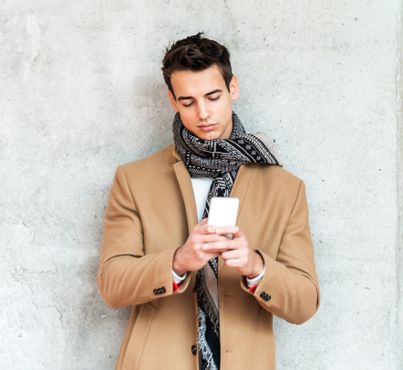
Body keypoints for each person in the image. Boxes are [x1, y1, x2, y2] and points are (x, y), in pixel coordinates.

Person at [97, 33, 320, 370]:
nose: (203, 113)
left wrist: (255, 266)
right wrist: (177, 261)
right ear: (172, 101)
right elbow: (112, 284)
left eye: (213, 96)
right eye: (187, 102)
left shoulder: (285, 189)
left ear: (233, 89)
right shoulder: (134, 180)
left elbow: (304, 303)